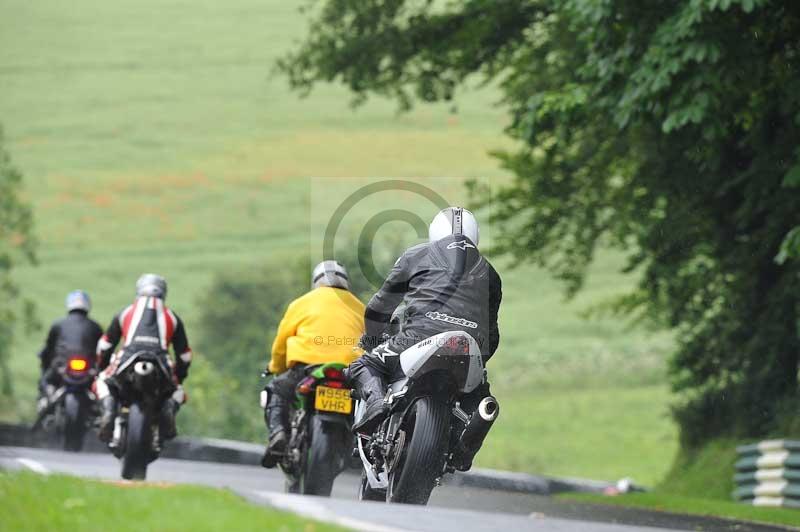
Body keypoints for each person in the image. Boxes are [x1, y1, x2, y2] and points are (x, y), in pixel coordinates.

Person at [347, 207, 502, 471]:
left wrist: (373, 340)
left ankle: (375, 405)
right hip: (468, 344)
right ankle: (465, 449)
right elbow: (492, 336)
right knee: (481, 399)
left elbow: (379, 307)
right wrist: (478, 357)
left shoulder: (416, 255)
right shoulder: (490, 273)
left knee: (364, 365)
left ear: (434, 231)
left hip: (419, 336)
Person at [261, 260, 365, 468]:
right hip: (349, 372)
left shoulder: (301, 303)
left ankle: (278, 433)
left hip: (307, 369)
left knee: (276, 391)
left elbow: (281, 344)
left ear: (316, 282)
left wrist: (276, 368)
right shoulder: (361, 307)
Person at [94, 274, 192, 443]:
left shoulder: (125, 312)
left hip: (127, 357)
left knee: (101, 382)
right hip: (161, 361)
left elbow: (105, 345)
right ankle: (168, 408)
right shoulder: (172, 317)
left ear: (139, 290)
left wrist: (101, 367)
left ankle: (109, 409)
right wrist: (180, 376)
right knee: (178, 391)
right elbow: (184, 355)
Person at [36, 290, 103, 413]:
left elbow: (49, 348)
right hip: (88, 369)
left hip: (63, 366)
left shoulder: (58, 324)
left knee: (46, 380)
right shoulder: (95, 326)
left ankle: (44, 399)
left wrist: (44, 357)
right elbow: (101, 351)